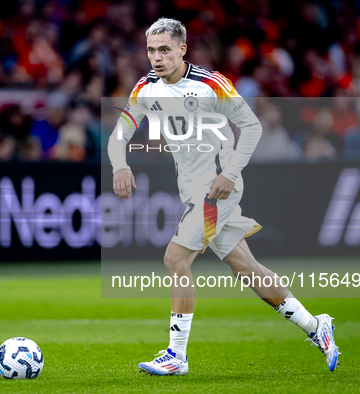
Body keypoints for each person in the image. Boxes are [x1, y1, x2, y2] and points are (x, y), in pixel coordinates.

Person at [107, 18, 340, 376]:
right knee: (247, 269)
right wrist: (119, 166)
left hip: (217, 189)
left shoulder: (211, 84)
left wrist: (229, 174)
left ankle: (176, 356)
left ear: (182, 49)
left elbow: (252, 126)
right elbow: (119, 134)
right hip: (192, 191)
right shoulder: (145, 88)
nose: (156, 57)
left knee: (175, 259)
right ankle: (316, 326)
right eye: (151, 50)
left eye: (165, 49)